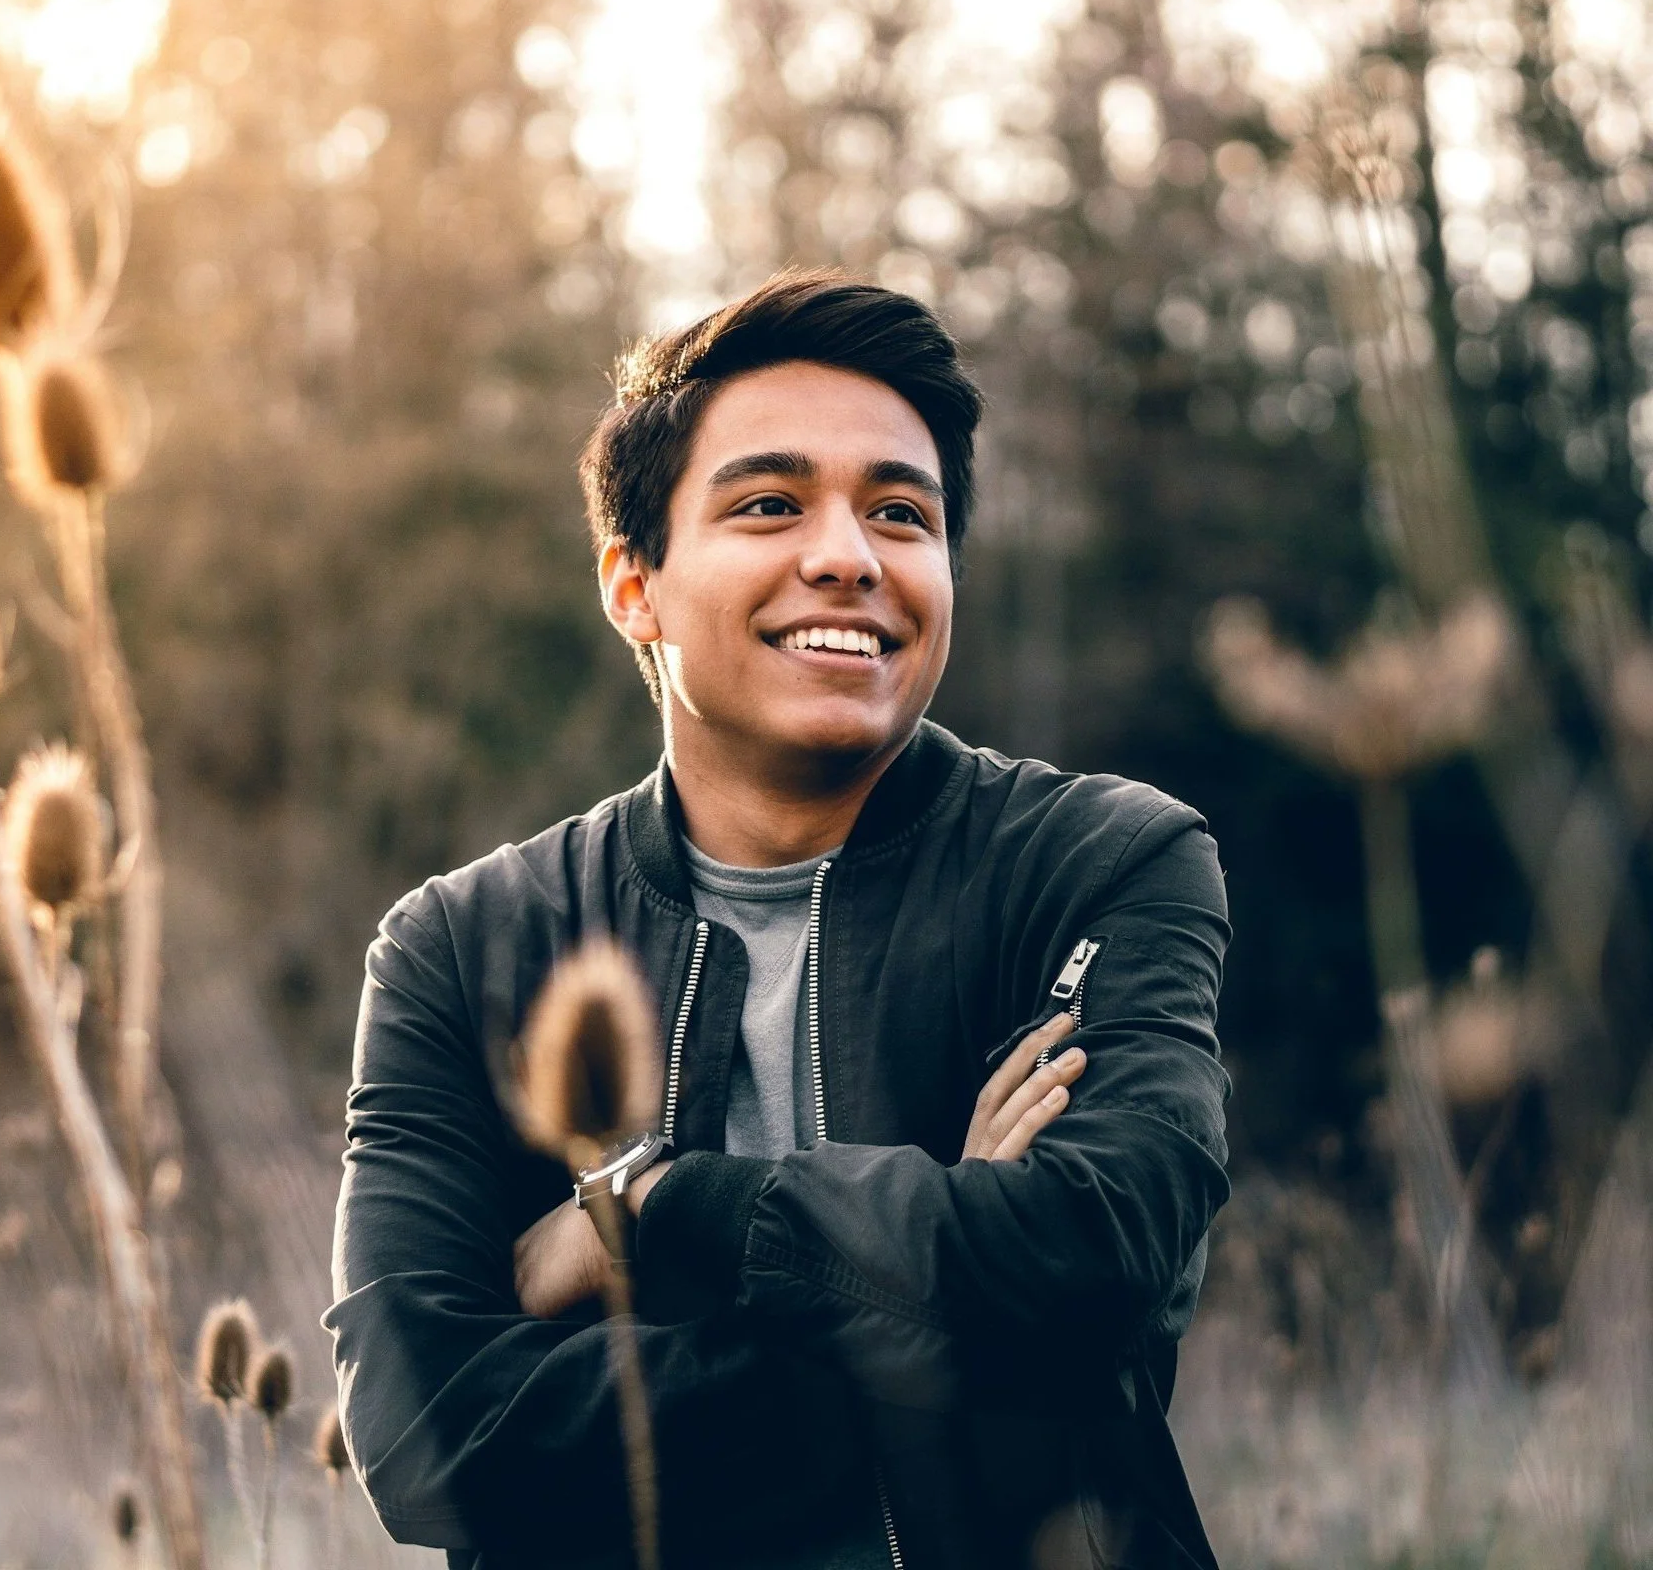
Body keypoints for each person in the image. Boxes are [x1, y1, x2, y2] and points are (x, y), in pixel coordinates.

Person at [325, 273, 1232, 1569]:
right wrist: (952, 1301)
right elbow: (429, 1446)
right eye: (769, 504)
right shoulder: (464, 945)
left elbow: (1102, 1255)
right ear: (633, 585)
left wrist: (657, 1209)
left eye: (900, 515)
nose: (849, 556)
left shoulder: (1099, 860)